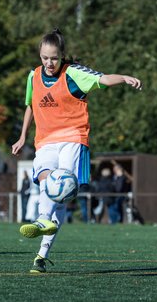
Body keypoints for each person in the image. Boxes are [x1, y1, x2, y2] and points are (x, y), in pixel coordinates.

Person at [12, 28, 142, 273]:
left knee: (60, 191)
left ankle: (41, 251)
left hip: (73, 138)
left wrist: (124, 77)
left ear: (62, 55)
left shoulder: (73, 73)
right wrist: (22, 137)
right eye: (44, 57)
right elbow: (30, 106)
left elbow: (102, 78)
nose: (49, 63)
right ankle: (43, 222)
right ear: (39, 55)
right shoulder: (33, 76)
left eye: (54, 58)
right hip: (45, 140)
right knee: (43, 177)